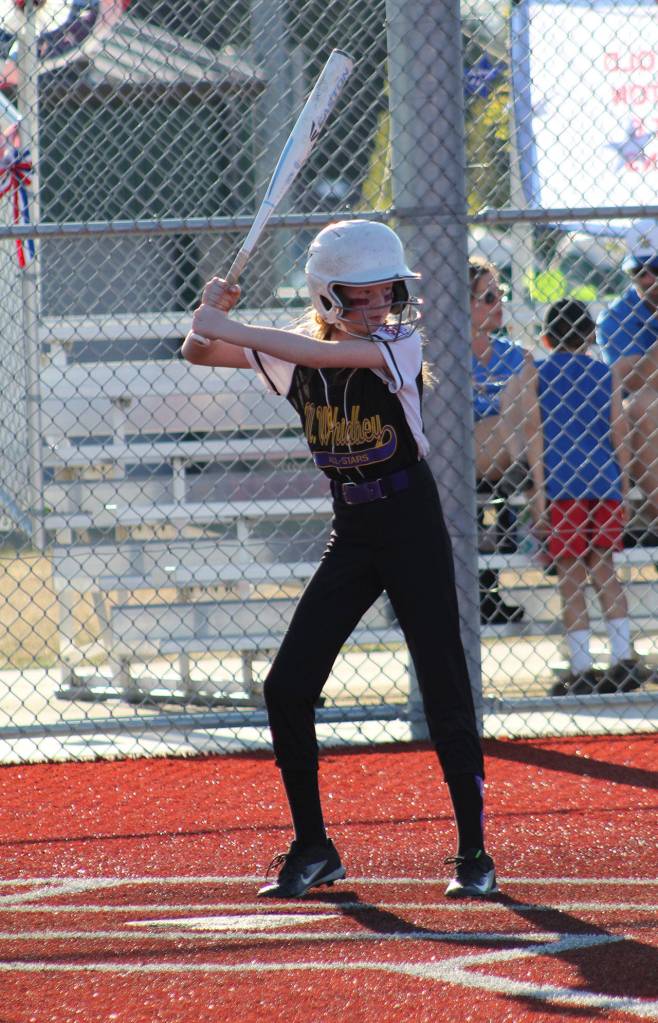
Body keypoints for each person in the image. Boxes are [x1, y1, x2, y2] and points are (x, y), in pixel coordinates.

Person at [182, 220, 498, 899]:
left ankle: (473, 850)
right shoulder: (296, 354)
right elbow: (197, 352)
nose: (381, 302)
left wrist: (225, 324)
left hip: (412, 521)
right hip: (352, 528)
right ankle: (313, 846)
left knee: (443, 682)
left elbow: (318, 357)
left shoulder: (396, 346)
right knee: (286, 685)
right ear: (328, 298)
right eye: (362, 294)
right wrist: (212, 312)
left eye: (388, 288)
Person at [524, 299, 649, 695]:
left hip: (562, 487)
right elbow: (619, 432)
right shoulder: (605, 374)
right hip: (604, 484)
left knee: (571, 576)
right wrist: (624, 485)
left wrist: (539, 492)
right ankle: (622, 658)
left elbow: (535, 437)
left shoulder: (538, 376)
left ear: (545, 339)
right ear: (592, 336)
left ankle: (581, 668)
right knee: (604, 568)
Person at [469, 257, 534, 625]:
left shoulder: (516, 355)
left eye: (501, 295)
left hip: (510, 457)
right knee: (499, 423)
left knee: (514, 420)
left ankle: (487, 594)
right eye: (488, 297)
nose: (499, 304)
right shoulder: (436, 354)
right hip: (463, 456)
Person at [596, 219, 658, 527]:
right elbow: (632, 380)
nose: (647, 279)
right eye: (638, 272)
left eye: (654, 269)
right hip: (641, 417)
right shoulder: (617, 316)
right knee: (643, 403)